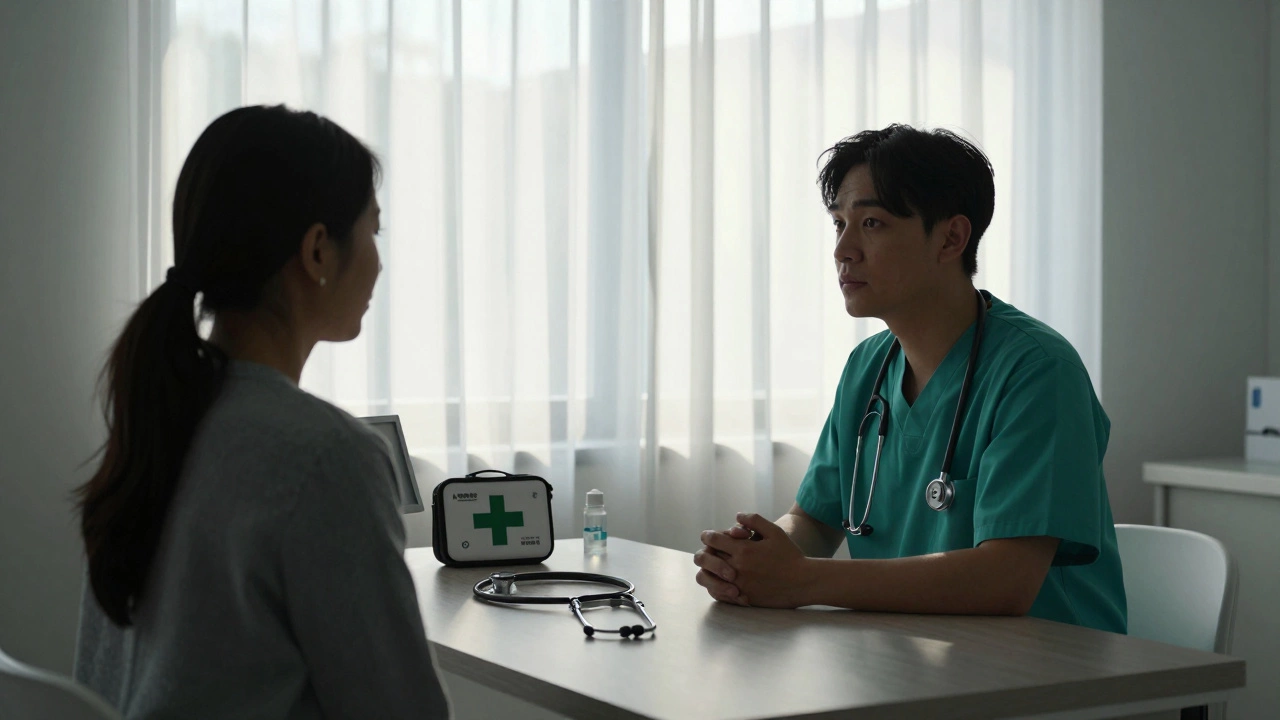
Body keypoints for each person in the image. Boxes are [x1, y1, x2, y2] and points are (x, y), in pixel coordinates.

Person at [73, 105, 451, 718]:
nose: (379, 260)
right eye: (373, 230)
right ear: (318, 252)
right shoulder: (327, 458)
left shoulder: (158, 422)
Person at [693, 124, 1126, 634]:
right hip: (915, 658)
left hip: (1053, 677)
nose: (843, 250)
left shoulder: (1037, 372)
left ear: (951, 237)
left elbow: (1006, 579)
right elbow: (813, 521)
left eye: (871, 222)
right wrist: (759, 556)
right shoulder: (868, 369)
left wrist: (802, 582)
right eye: (839, 225)